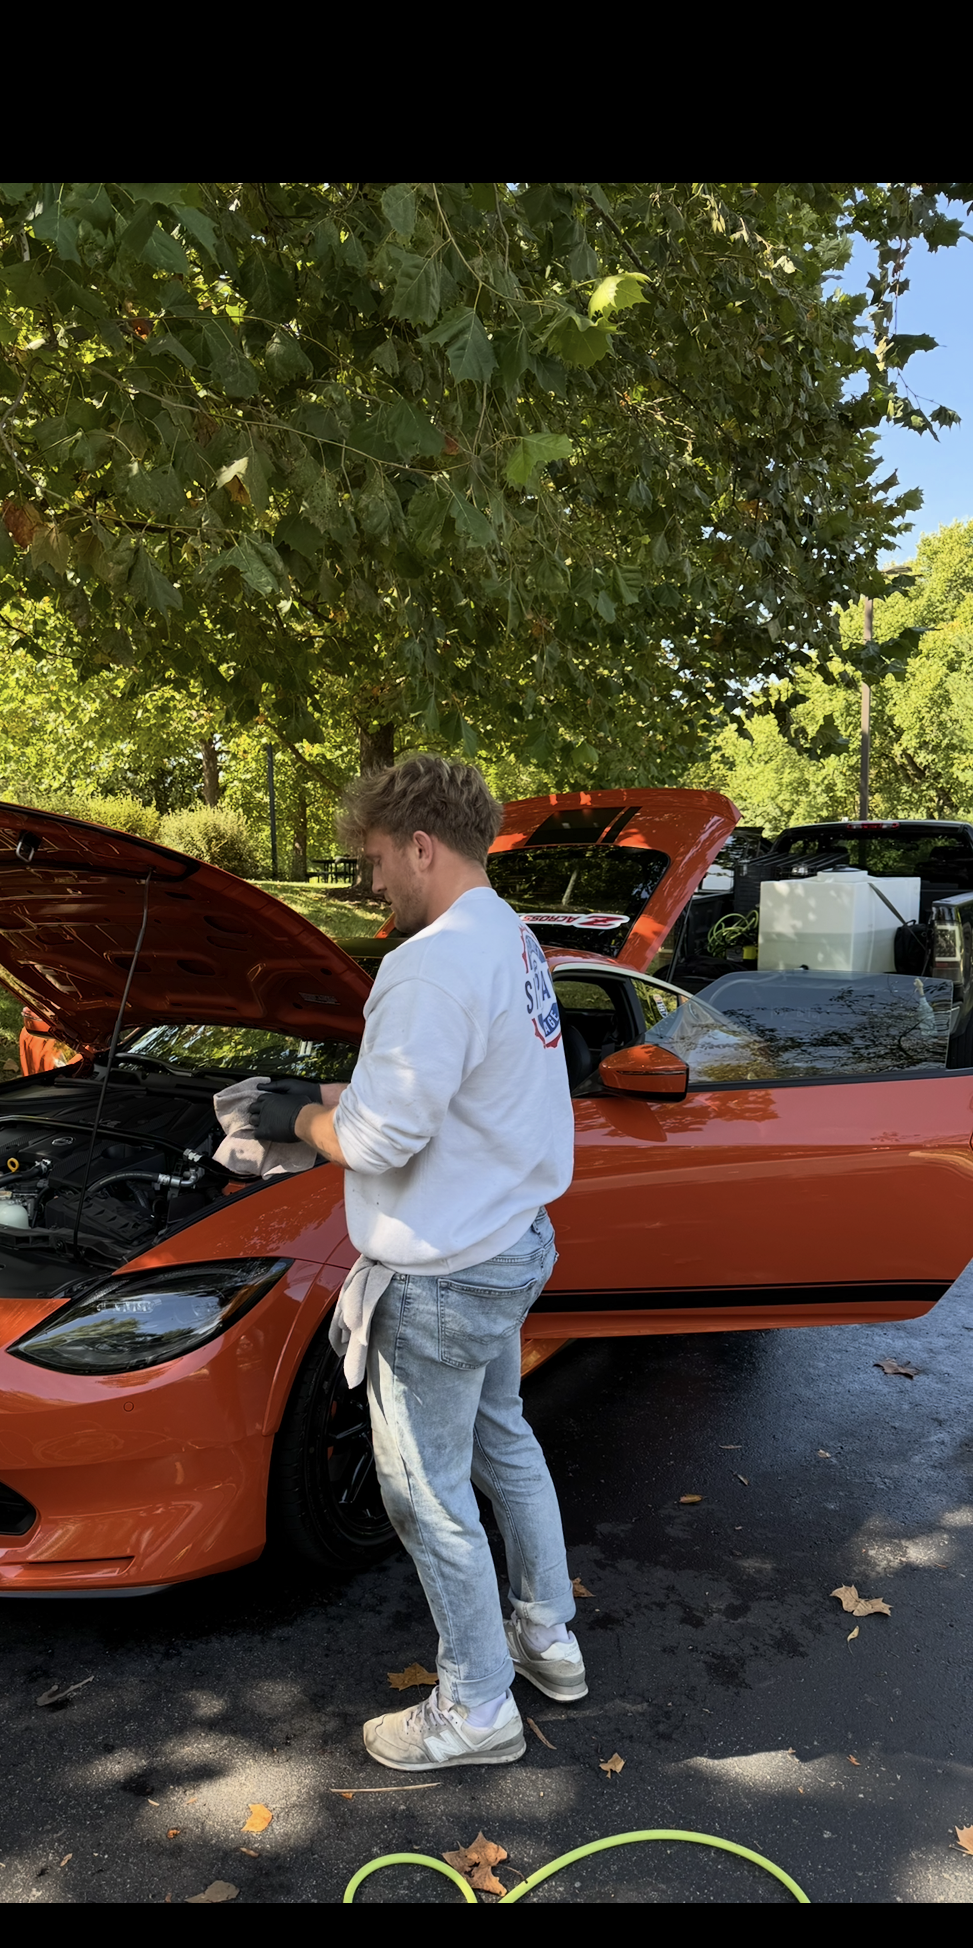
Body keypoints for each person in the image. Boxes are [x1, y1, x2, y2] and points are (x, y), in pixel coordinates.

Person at [253, 754, 583, 1769]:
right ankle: (547, 1637)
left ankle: (477, 1707)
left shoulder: (430, 963)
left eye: (377, 859)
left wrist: (294, 1117)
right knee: (504, 1442)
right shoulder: (510, 937)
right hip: (513, 1241)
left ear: (424, 846)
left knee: (426, 1496)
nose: (373, 881)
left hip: (443, 1274)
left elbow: (383, 1138)